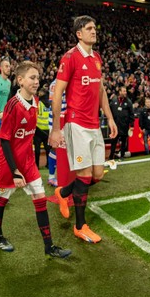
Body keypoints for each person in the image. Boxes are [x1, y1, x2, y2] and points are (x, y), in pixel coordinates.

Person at [0, 61, 72, 259]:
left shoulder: (35, 101)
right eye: (32, 78)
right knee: (2, 198)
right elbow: (4, 139)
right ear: (20, 81)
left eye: (37, 77)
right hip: (9, 162)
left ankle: (49, 246)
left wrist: (49, 138)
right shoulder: (13, 105)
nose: (37, 81)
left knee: (40, 198)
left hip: (28, 160)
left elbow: (32, 130)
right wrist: (14, 171)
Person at [49, 15, 118, 244]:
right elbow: (57, 93)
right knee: (85, 175)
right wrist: (57, 128)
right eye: (89, 28)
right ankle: (80, 226)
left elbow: (100, 91)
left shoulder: (97, 58)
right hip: (76, 123)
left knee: (97, 175)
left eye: (95, 28)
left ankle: (63, 192)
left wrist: (109, 117)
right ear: (79, 33)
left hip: (94, 124)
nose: (94, 31)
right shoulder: (70, 58)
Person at [109, 86, 135, 160]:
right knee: (113, 141)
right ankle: (111, 157)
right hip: (115, 125)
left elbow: (131, 114)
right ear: (120, 92)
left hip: (124, 125)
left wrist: (132, 125)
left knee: (124, 141)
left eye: (125, 91)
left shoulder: (128, 102)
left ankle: (122, 156)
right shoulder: (114, 101)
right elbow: (109, 110)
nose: (125, 92)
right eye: (123, 91)